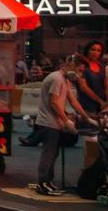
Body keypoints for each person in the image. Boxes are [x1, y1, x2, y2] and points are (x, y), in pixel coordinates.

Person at [34, 55, 95, 195]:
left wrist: (87, 118)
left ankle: (48, 181)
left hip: (54, 122)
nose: (79, 74)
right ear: (70, 64)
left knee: (53, 154)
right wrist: (66, 120)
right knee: (48, 154)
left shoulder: (64, 80)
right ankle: (43, 183)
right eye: (78, 70)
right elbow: (53, 102)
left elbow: (73, 101)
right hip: (48, 122)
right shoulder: (57, 79)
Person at [73, 40, 108, 117]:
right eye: (93, 49)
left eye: (98, 50)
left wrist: (107, 102)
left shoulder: (101, 66)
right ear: (87, 50)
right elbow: (83, 87)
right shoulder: (82, 66)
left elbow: (107, 85)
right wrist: (100, 101)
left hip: (102, 105)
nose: (95, 53)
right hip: (87, 105)